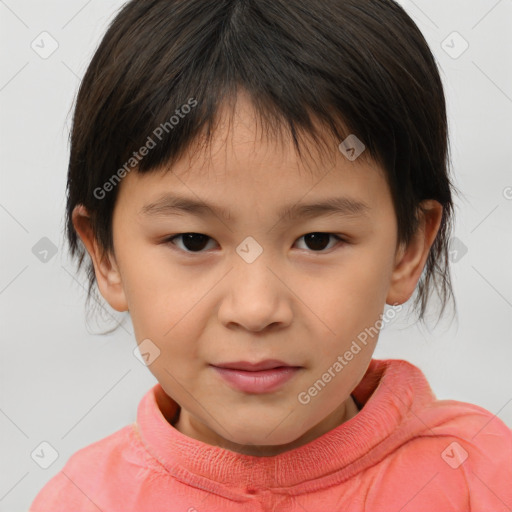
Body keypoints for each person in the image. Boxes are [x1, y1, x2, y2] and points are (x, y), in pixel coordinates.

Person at [30, 0, 512, 510]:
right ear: (106, 255)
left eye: (317, 240)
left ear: (408, 248)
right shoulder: (81, 500)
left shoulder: (481, 481)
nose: (256, 309)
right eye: (193, 241)